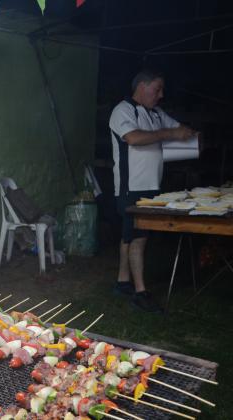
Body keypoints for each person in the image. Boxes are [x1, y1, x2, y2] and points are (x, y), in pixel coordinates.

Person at [109, 69, 197, 312]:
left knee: (130, 235)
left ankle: (122, 282)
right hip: (130, 186)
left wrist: (190, 134)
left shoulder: (157, 114)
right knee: (138, 237)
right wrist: (171, 133)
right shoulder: (123, 110)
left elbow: (179, 129)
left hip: (151, 186)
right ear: (142, 86)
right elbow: (134, 138)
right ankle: (140, 292)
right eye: (157, 89)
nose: (161, 95)